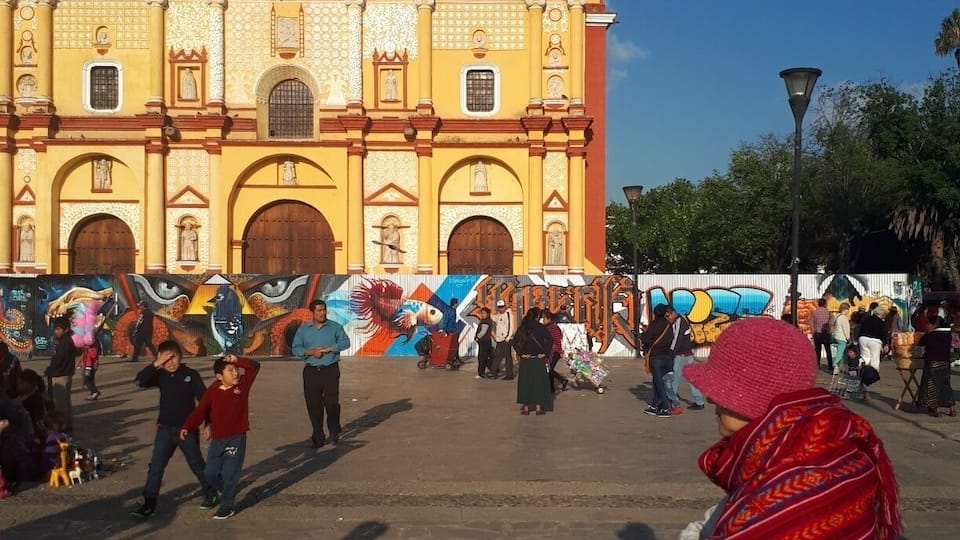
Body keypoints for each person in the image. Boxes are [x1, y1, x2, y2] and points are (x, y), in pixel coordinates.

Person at [680, 318, 902, 540]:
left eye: (722, 391)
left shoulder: (783, 500)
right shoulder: (825, 449)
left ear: (755, 399)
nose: (710, 399)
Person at [130, 340, 218, 519]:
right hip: (164, 430)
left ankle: (211, 492)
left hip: (186, 431)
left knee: (196, 464)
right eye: (166, 359)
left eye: (174, 358)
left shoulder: (190, 375)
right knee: (156, 467)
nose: (170, 363)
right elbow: (139, 381)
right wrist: (156, 364)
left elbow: (204, 400)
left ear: (181, 356)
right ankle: (149, 504)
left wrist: (208, 423)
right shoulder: (160, 375)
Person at [180, 354, 261, 520]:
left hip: (236, 438)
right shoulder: (213, 390)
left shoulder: (243, 385)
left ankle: (227, 506)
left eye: (236, 370)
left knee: (230, 473)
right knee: (210, 473)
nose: (235, 373)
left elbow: (255, 366)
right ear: (219, 376)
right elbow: (201, 410)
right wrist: (187, 426)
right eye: (230, 371)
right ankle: (228, 490)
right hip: (217, 440)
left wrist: (237, 360)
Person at [291, 299, 351, 449]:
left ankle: (334, 428)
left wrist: (331, 348)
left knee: (331, 403)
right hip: (311, 371)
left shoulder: (335, 327)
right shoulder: (304, 330)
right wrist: (310, 352)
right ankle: (318, 435)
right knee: (314, 405)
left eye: (324, 310)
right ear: (312, 312)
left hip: (330, 369)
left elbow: (346, 342)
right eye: (319, 310)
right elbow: (296, 348)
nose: (322, 313)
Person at [513, 307, 554, 415]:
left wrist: (521, 353)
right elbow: (550, 340)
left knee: (525, 383)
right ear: (537, 317)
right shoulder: (541, 327)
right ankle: (538, 408)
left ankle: (526, 408)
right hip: (538, 359)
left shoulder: (523, 327)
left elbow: (514, 342)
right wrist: (545, 353)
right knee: (538, 383)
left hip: (526, 360)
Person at [665, 306, 705, 411]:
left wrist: (671, 352)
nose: (668, 318)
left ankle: (671, 402)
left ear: (673, 313)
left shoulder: (679, 321)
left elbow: (677, 339)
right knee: (690, 378)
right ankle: (699, 401)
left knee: (674, 379)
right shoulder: (679, 320)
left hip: (681, 355)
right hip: (686, 354)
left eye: (668, 316)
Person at [916, 315, 956, 417]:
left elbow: (921, 342)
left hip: (933, 363)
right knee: (945, 385)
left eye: (928, 324)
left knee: (932, 386)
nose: (927, 325)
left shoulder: (931, 335)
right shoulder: (948, 335)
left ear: (933, 325)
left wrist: (926, 334)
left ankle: (935, 409)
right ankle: (952, 408)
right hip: (945, 363)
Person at [640, 304, 674, 418]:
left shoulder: (654, 325)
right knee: (657, 382)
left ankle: (666, 407)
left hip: (656, 357)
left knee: (659, 383)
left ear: (655, 313)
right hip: (667, 356)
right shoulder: (668, 325)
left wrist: (643, 334)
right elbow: (671, 338)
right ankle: (654, 406)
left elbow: (646, 339)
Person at [45, 316, 77, 433]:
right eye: (55, 329)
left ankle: (61, 426)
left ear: (66, 329)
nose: (56, 332)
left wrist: (50, 370)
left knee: (60, 404)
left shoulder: (64, 342)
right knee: (66, 402)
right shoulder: (69, 340)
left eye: (58, 329)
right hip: (66, 374)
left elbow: (59, 359)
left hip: (60, 375)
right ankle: (67, 424)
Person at [543, 310, 568, 393]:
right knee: (549, 369)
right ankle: (551, 388)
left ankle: (562, 380)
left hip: (555, 352)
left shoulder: (553, 328)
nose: (543, 321)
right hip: (551, 351)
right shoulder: (549, 327)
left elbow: (557, 339)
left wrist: (559, 350)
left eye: (544, 319)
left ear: (549, 319)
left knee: (549, 369)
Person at [490, 300, 516, 380]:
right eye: (499, 307)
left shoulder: (508, 314)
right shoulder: (499, 315)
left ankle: (509, 375)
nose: (501, 309)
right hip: (499, 339)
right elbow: (495, 318)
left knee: (507, 357)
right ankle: (493, 372)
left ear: (505, 306)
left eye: (502, 307)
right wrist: (489, 313)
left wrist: (507, 338)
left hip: (505, 339)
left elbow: (511, 327)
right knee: (497, 356)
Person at [858, 302, 885, 370]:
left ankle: (862, 365)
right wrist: (884, 343)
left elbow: (861, 328)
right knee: (874, 358)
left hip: (862, 338)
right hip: (874, 340)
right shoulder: (880, 322)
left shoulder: (866, 318)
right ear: (880, 314)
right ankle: (873, 372)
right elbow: (882, 333)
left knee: (865, 357)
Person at [810, 297, 833, 370]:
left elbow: (811, 323)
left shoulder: (815, 312)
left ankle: (817, 364)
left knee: (818, 350)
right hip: (826, 333)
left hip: (817, 333)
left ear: (818, 304)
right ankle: (830, 365)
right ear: (825, 304)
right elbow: (831, 323)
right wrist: (830, 331)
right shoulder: (828, 312)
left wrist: (813, 332)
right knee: (828, 350)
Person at [832, 302, 852, 375]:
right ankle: (835, 364)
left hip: (836, 335)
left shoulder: (837, 316)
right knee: (840, 353)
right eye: (848, 309)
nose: (848, 311)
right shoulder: (843, 318)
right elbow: (846, 329)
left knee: (841, 353)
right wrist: (848, 338)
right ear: (845, 309)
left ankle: (839, 368)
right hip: (841, 337)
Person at [474, 307, 494, 379]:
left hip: (484, 341)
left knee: (482, 357)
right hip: (486, 341)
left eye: (484, 313)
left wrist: (477, 337)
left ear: (488, 314)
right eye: (481, 313)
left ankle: (481, 373)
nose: (482, 314)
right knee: (487, 357)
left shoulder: (486, 321)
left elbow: (483, 332)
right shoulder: (485, 320)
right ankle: (493, 369)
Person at [80, 336, 102, 401]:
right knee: (90, 380)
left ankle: (95, 392)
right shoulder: (88, 343)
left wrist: (88, 349)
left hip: (90, 365)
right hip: (88, 364)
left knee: (87, 379)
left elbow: (93, 355)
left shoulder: (94, 343)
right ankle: (93, 394)